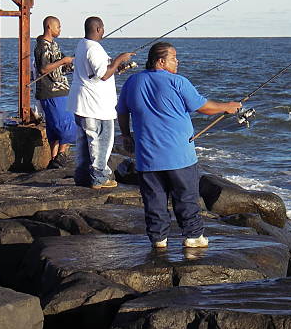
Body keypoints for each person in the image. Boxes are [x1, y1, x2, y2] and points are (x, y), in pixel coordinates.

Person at [116, 42, 241, 248]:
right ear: (161, 61)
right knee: (186, 197)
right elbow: (203, 107)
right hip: (178, 155)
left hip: (147, 157)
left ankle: (158, 239)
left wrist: (125, 135)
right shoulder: (178, 82)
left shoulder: (132, 81)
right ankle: (193, 236)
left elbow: (122, 110)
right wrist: (227, 107)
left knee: (154, 200)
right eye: (174, 57)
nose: (177, 61)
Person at [67, 16, 135, 189]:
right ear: (98, 29)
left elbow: (97, 72)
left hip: (82, 103)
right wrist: (120, 58)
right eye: (103, 28)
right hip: (95, 106)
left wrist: (116, 67)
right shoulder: (94, 49)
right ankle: (99, 177)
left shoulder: (82, 45)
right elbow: (103, 74)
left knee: (84, 142)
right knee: (101, 141)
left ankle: (82, 176)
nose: (103, 31)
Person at [34, 16, 77, 169]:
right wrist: (63, 61)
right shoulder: (42, 46)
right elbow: (44, 69)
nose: (60, 29)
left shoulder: (53, 45)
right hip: (53, 91)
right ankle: (61, 155)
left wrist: (69, 63)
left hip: (57, 89)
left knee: (54, 126)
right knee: (66, 124)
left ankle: (54, 159)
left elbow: (59, 67)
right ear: (49, 27)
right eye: (58, 26)